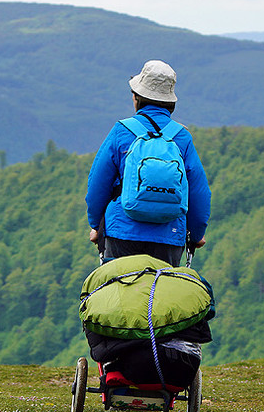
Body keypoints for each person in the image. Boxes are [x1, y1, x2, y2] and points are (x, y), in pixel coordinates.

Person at [85, 60, 211, 266]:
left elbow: (97, 185)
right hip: (169, 238)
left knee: (115, 293)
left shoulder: (122, 131)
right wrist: (197, 235)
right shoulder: (181, 138)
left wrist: (95, 226)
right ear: (171, 102)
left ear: (136, 97)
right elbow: (199, 192)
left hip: (121, 233)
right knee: (163, 296)